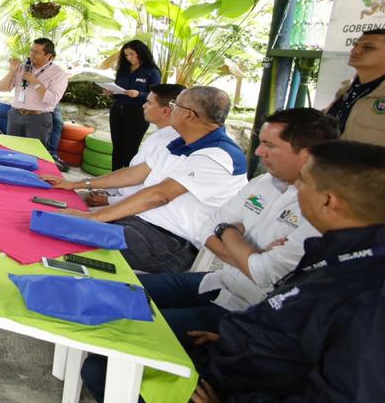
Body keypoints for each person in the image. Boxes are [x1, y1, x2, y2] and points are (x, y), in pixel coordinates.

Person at [82, 141, 385, 403]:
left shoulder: (378, 294)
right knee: (120, 348)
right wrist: (243, 337)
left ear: (329, 201)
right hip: (254, 371)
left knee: (109, 371)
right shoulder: (360, 252)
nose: (295, 188)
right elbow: (306, 324)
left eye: (304, 183)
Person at [138, 108, 339, 339]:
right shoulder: (264, 182)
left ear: (307, 154)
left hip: (248, 314)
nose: (259, 151)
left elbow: (265, 273)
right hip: (218, 282)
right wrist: (250, 255)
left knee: (133, 328)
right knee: (122, 291)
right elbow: (208, 227)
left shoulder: (322, 208)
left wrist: (227, 232)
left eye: (270, 145)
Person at [43, 86, 247, 273]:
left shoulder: (218, 155)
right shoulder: (182, 141)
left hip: (170, 241)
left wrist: (93, 218)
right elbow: (135, 173)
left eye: (175, 105)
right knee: (54, 223)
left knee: (64, 240)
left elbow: (159, 195)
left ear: (188, 115)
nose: (171, 109)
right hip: (139, 223)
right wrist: (77, 184)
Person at [87, 83, 186, 207]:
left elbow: (150, 193)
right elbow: (129, 174)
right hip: (118, 197)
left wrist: (107, 200)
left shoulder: (172, 145)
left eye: (149, 103)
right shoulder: (159, 134)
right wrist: (107, 191)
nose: (144, 105)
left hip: (128, 207)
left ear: (166, 110)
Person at [324, 28, 385, 163]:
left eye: (368, 47)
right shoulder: (346, 90)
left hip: (375, 176)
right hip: (330, 171)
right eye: (355, 45)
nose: (355, 50)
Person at [0, 38, 69, 147]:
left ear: (48, 56)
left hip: (38, 119)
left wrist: (35, 82)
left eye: (36, 52)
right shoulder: (23, 67)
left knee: (33, 153)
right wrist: (12, 71)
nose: (32, 54)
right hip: (15, 115)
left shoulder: (58, 74)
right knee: (12, 151)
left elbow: (52, 100)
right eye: (31, 50)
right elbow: (2, 88)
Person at [108, 40, 162, 169]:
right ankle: (114, 176)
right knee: (117, 147)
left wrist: (139, 94)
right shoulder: (123, 70)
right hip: (118, 110)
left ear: (141, 53)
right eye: (126, 55)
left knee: (130, 148)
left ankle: (128, 178)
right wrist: (110, 93)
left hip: (138, 113)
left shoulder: (152, 72)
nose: (129, 58)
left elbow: (156, 95)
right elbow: (118, 90)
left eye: (132, 54)